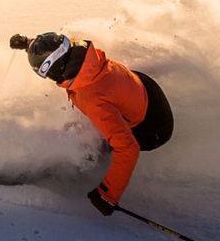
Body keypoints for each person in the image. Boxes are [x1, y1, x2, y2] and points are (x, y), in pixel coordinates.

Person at [9, 32, 174, 216]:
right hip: (142, 88)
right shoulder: (81, 54)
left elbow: (128, 149)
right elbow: (53, 48)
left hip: (154, 127)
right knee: (104, 116)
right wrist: (29, 45)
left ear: (56, 69)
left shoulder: (93, 98)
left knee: (102, 144)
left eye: (46, 73)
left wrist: (108, 195)